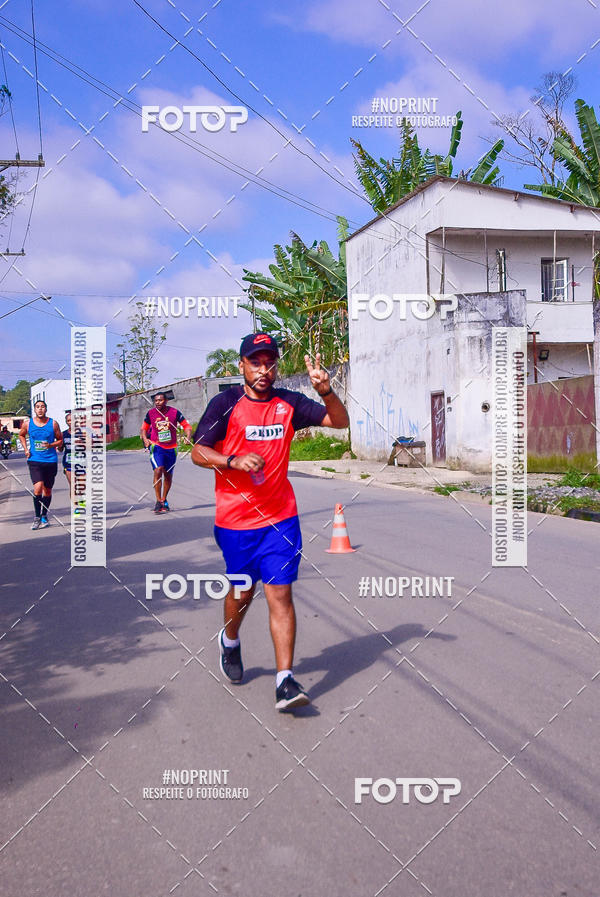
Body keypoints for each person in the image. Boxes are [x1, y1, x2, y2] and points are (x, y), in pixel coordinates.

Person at [191, 332, 349, 711]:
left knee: (280, 594)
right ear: (241, 365)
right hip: (235, 522)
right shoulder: (225, 404)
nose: (263, 370)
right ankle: (230, 640)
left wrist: (327, 391)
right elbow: (198, 452)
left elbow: (339, 422)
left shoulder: (288, 403)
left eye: (270, 362)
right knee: (243, 593)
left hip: (280, 519)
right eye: (255, 362)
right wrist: (233, 461)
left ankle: (284, 680)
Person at [140, 392, 192, 513]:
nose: (157, 402)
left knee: (168, 475)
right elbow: (144, 428)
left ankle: (164, 499)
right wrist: (145, 439)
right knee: (158, 470)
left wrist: (188, 437)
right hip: (156, 446)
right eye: (156, 401)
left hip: (172, 448)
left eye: (160, 400)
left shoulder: (175, 412)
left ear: (166, 401)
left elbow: (187, 426)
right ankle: (158, 501)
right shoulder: (151, 413)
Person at [19, 400, 63, 529]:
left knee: (47, 491)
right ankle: (37, 517)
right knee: (38, 488)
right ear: (34, 409)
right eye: (37, 407)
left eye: (42, 407)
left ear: (46, 409)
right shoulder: (28, 423)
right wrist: (26, 449)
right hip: (35, 460)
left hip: (50, 461)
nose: (40, 409)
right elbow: (21, 435)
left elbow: (60, 441)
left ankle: (44, 515)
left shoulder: (53, 424)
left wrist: (51, 445)